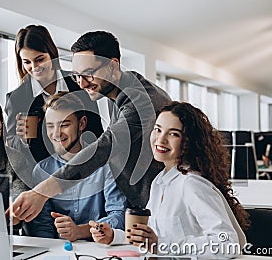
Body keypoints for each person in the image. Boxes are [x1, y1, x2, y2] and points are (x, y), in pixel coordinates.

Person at [11, 31, 171, 222]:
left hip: (165, 201)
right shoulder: (118, 90)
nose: (82, 83)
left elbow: (104, 147)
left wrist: (41, 193)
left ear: (113, 66)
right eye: (77, 75)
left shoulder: (140, 101)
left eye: (88, 74)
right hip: (148, 200)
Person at [90, 101, 249, 259]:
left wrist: (163, 244)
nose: (161, 139)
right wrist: (113, 236)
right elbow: (151, 234)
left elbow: (228, 243)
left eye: (173, 134)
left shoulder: (191, 184)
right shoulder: (160, 181)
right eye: (158, 130)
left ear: (189, 141)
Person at [27, 92, 126, 241]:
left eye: (65, 125)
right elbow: (42, 228)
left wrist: (81, 231)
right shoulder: (42, 170)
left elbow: (119, 216)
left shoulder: (106, 164)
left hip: (100, 249)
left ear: (82, 124)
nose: (56, 133)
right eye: (50, 126)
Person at [4, 25, 103, 169]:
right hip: (42, 171)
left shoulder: (78, 82)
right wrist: (23, 140)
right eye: (27, 62)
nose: (34, 67)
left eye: (39, 59)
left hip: (84, 165)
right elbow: (12, 147)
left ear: (51, 54)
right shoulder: (16, 98)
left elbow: (96, 129)